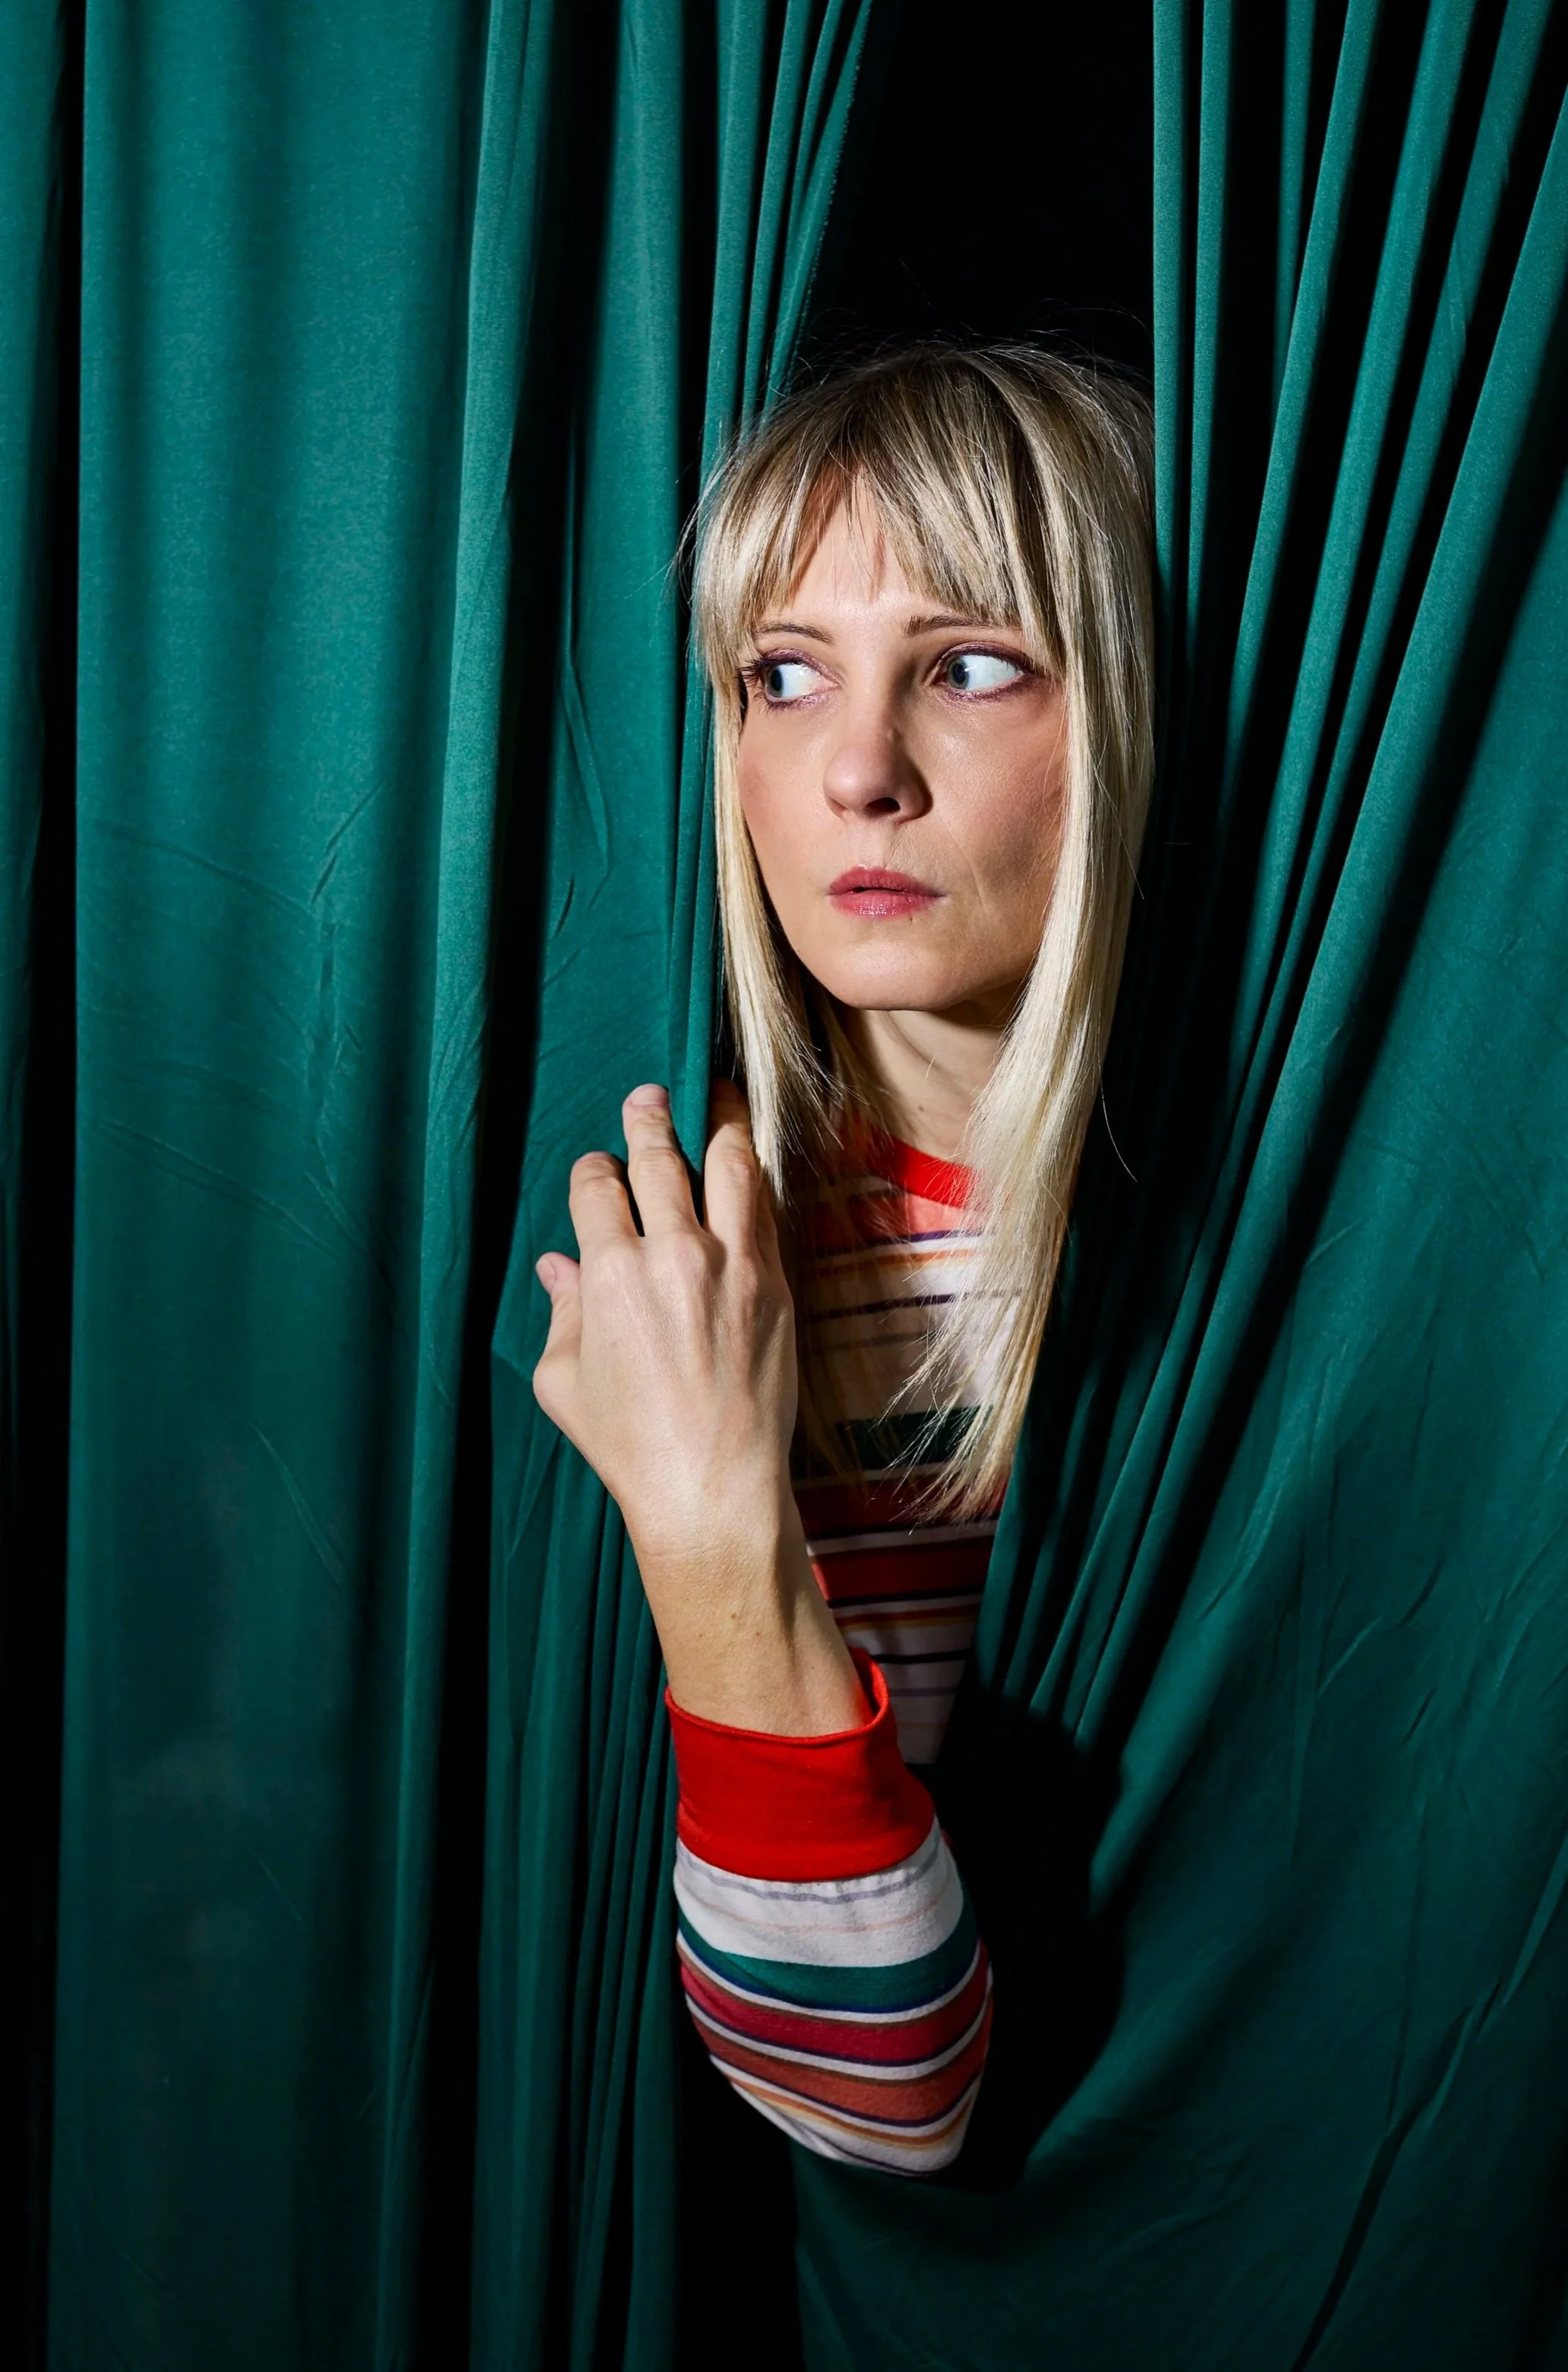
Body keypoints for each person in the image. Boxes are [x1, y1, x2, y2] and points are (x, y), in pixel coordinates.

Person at [532, 346, 1154, 2173]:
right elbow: (881, 2097)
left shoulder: (1276, 1244)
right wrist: (714, 1514)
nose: (858, 771)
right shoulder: (693, 1246)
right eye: (782, 675)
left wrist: (725, 1526)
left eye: (967, 666)